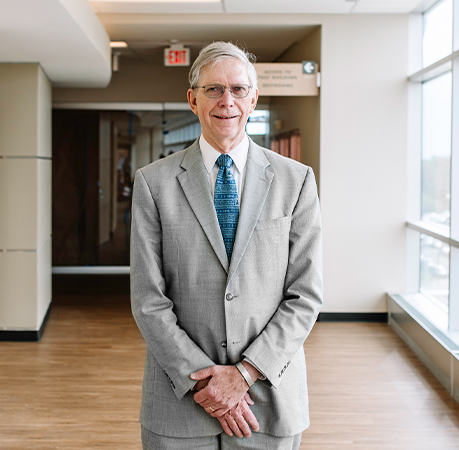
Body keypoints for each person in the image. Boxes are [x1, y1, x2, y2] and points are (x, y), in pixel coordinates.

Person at [130, 41, 323, 450]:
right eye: (214, 89)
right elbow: (148, 298)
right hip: (180, 398)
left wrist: (244, 374)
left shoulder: (297, 180)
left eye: (237, 89)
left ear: (253, 99)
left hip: (268, 398)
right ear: (193, 99)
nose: (226, 101)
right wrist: (210, 383)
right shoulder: (153, 182)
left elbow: (305, 295)